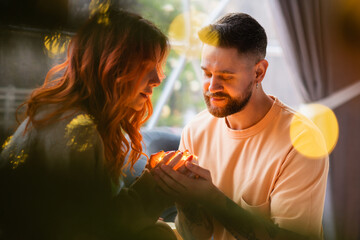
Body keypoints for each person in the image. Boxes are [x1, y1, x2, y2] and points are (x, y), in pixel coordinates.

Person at [0, 7, 177, 240]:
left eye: (159, 67)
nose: (157, 79)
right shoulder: (74, 129)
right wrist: (153, 189)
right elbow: (90, 228)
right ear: (111, 66)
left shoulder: (76, 121)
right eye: (146, 65)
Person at [153, 13, 329, 240]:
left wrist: (211, 198)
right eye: (207, 73)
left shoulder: (302, 141)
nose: (212, 87)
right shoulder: (195, 130)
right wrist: (185, 197)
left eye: (226, 77)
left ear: (259, 72)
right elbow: (196, 234)